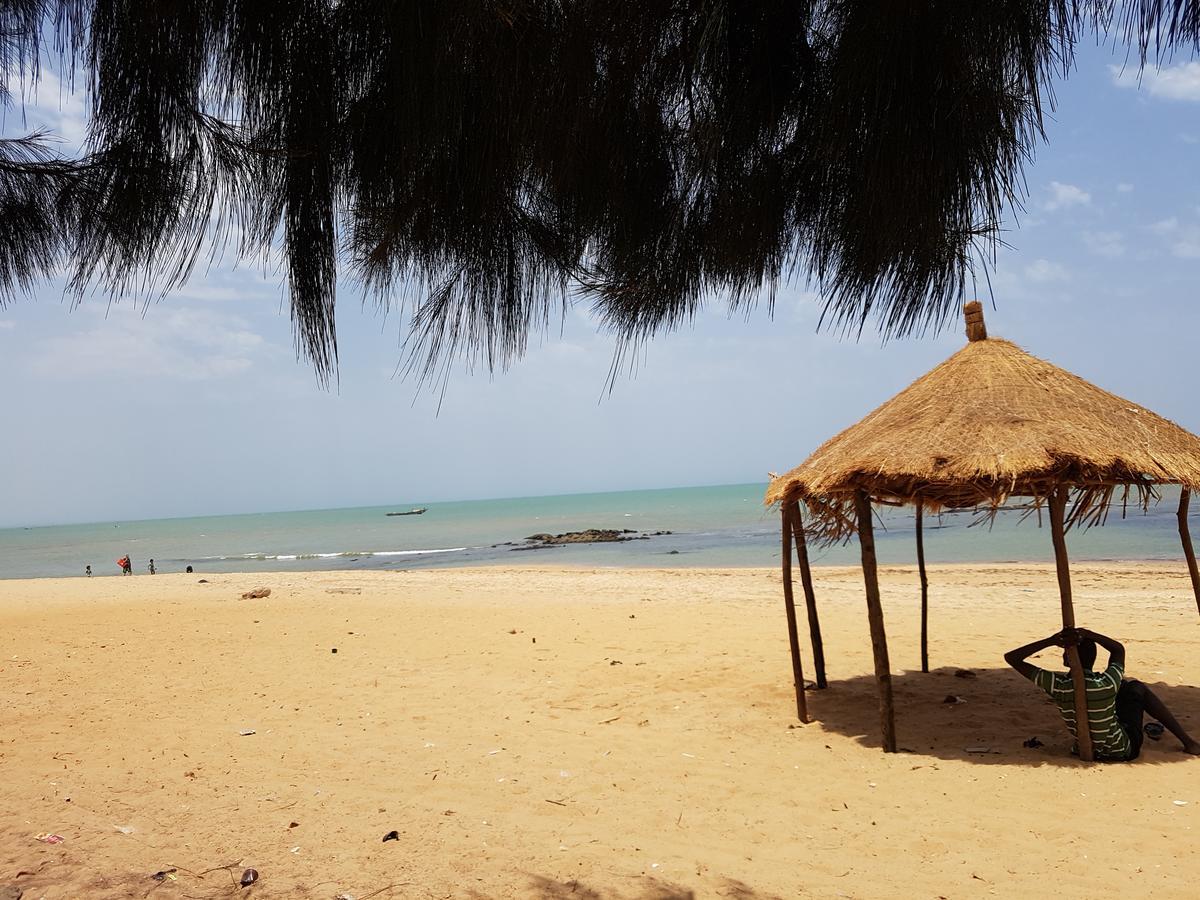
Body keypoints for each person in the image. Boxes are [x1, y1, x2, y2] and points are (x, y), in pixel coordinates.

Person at [1005, 627, 1200, 760]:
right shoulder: (1106, 683)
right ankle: (1188, 742)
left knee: (1122, 690)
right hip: (1123, 750)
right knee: (1135, 688)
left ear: (1067, 660)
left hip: (1081, 749)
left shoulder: (1057, 685)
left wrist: (1051, 641)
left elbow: (1012, 657)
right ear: (1093, 658)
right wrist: (1091, 634)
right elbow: (1118, 649)